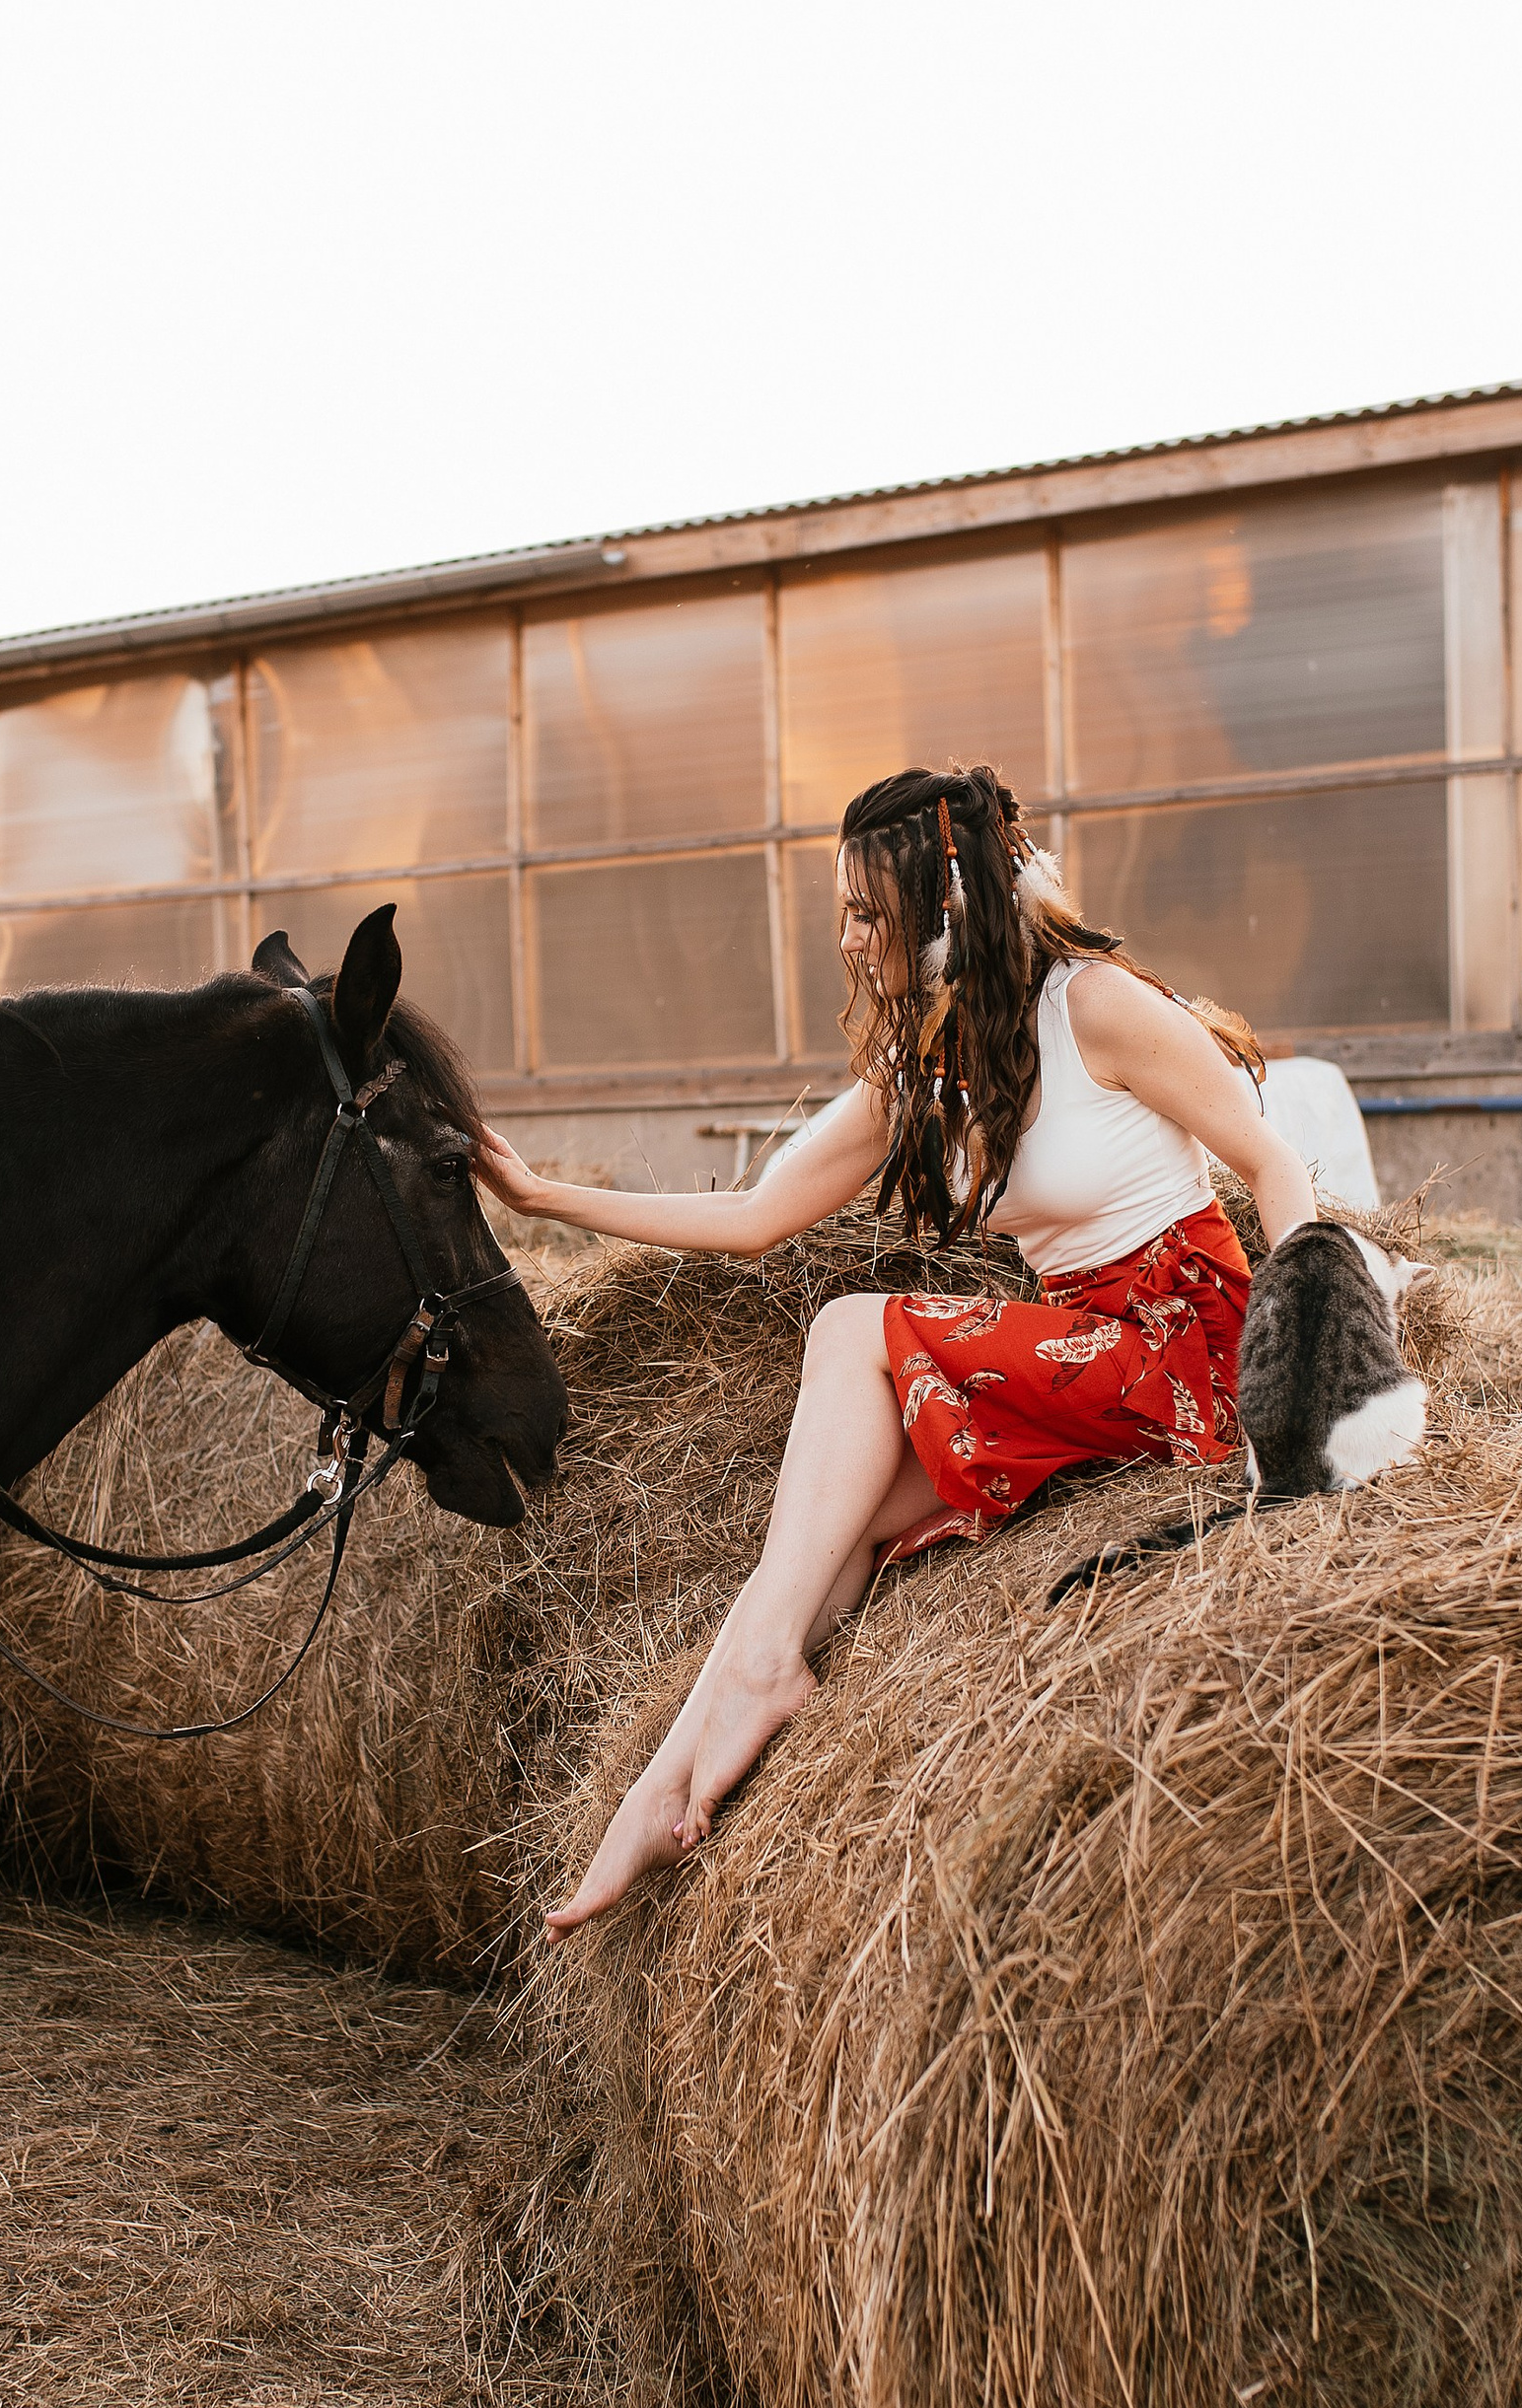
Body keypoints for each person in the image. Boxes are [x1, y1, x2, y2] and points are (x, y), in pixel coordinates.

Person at [473, 763, 1321, 1936]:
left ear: (944, 907)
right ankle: (666, 1784)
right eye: (841, 913)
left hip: (1192, 1353)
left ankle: (757, 1680)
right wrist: (542, 1199)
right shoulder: (927, 1068)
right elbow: (755, 1217)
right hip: (1087, 1357)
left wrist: (1320, 1358)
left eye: (868, 914)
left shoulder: (1097, 1009)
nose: (845, 940)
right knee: (839, 1525)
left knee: (849, 1325)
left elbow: (1274, 1163)